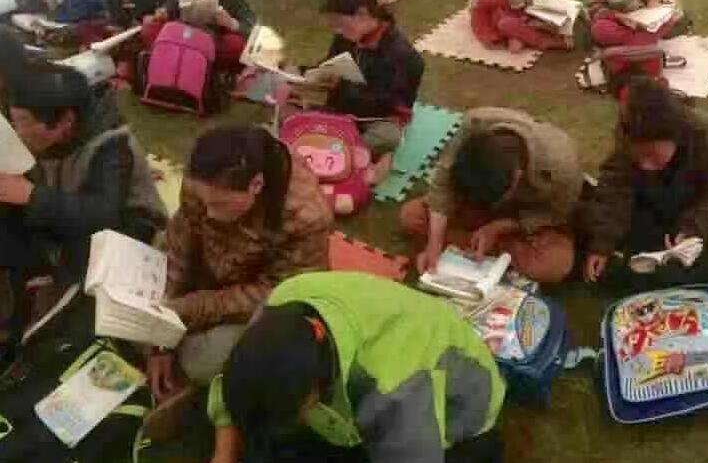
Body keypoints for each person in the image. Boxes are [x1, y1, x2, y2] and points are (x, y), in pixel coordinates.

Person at [145, 125, 331, 434]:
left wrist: (189, 309)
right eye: (203, 202)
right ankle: (175, 365)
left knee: (204, 361)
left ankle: (194, 386)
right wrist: (161, 335)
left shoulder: (305, 217)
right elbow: (181, 241)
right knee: (144, 283)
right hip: (208, 272)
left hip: (256, 299)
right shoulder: (202, 180)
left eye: (219, 205)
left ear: (256, 185)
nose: (209, 213)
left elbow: (275, 294)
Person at [207, 272, 505, 463]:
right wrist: (223, 457)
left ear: (314, 390)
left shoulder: (393, 389)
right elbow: (242, 387)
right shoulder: (284, 302)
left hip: (459, 416)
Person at [0, 65, 165, 355]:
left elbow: (104, 216)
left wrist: (32, 196)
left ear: (66, 121)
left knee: (83, 268)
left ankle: (54, 312)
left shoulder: (111, 145)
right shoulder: (38, 137)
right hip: (61, 217)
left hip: (124, 233)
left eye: (24, 122)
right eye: (14, 120)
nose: (18, 130)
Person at [582, 78, 708, 290]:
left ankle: (664, 273)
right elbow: (615, 189)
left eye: (652, 156)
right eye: (638, 156)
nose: (644, 165)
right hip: (653, 207)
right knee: (592, 213)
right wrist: (602, 244)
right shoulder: (630, 135)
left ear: (675, 135)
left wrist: (693, 229)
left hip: (696, 210)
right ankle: (673, 271)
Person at [402, 107, 582, 284]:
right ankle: (487, 248)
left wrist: (500, 227)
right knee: (412, 216)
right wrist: (434, 245)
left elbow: (556, 214)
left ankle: (477, 245)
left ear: (517, 177)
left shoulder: (562, 166)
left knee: (555, 265)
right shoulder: (473, 125)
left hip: (528, 218)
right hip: (481, 207)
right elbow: (444, 182)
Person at [316, 0, 426, 166]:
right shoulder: (347, 37)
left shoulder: (402, 55)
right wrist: (316, 76)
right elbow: (330, 62)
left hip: (378, 117)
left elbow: (390, 103)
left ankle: (348, 152)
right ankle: (345, 148)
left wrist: (344, 87)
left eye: (340, 23)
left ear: (362, 14)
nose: (337, 30)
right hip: (344, 107)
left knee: (387, 136)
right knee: (292, 105)